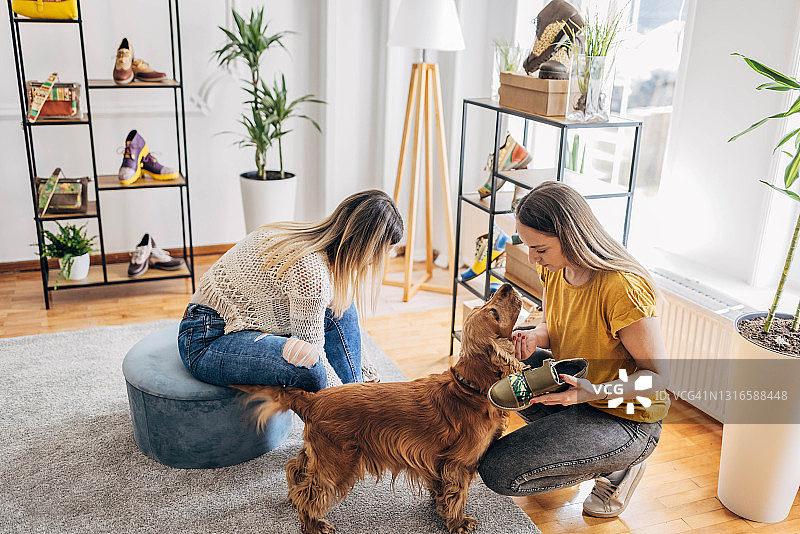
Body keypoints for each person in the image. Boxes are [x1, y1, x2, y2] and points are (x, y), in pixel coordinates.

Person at [478, 181, 671, 518]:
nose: (532, 258)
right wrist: (537, 338)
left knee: (497, 471)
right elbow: (558, 325)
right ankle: (574, 454)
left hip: (625, 415)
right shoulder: (555, 267)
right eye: (527, 246)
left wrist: (591, 392)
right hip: (576, 388)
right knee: (500, 368)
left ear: (572, 236)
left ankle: (620, 467)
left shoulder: (621, 288)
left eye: (539, 249)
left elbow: (658, 377)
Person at [177, 189, 404, 392]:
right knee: (310, 368)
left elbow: (343, 329)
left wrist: (367, 379)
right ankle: (352, 416)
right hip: (205, 341)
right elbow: (312, 354)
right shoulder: (311, 272)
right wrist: (343, 405)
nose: (379, 261)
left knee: (342, 306)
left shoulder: (316, 244)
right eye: (384, 252)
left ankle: (360, 402)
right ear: (365, 247)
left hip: (239, 328)